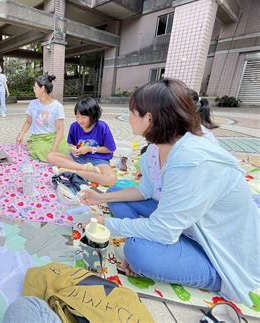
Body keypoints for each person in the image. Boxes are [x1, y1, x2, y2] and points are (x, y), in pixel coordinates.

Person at [81, 79, 259, 307]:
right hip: (189, 225)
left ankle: (209, 273)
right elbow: (147, 189)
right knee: (116, 191)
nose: (129, 118)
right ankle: (158, 244)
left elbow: (164, 230)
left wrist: (106, 223)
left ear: (149, 118)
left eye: (132, 112)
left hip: (220, 249)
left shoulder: (191, 160)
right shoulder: (156, 150)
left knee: (137, 251)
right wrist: (101, 197)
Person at [47, 97, 117, 186]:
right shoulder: (74, 126)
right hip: (78, 159)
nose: (79, 120)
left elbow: (110, 149)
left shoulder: (102, 126)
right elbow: (71, 144)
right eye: (77, 116)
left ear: (93, 115)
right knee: (51, 156)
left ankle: (71, 171)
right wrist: (72, 149)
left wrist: (90, 149)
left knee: (111, 179)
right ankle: (85, 169)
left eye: (83, 117)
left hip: (99, 160)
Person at [16, 74, 69, 162]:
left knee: (62, 151)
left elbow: (60, 129)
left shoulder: (57, 106)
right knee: (43, 150)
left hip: (53, 137)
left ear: (42, 88)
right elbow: (28, 122)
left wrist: (54, 148)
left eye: (35, 87)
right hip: (38, 139)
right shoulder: (32, 104)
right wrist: (21, 134)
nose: (33, 89)